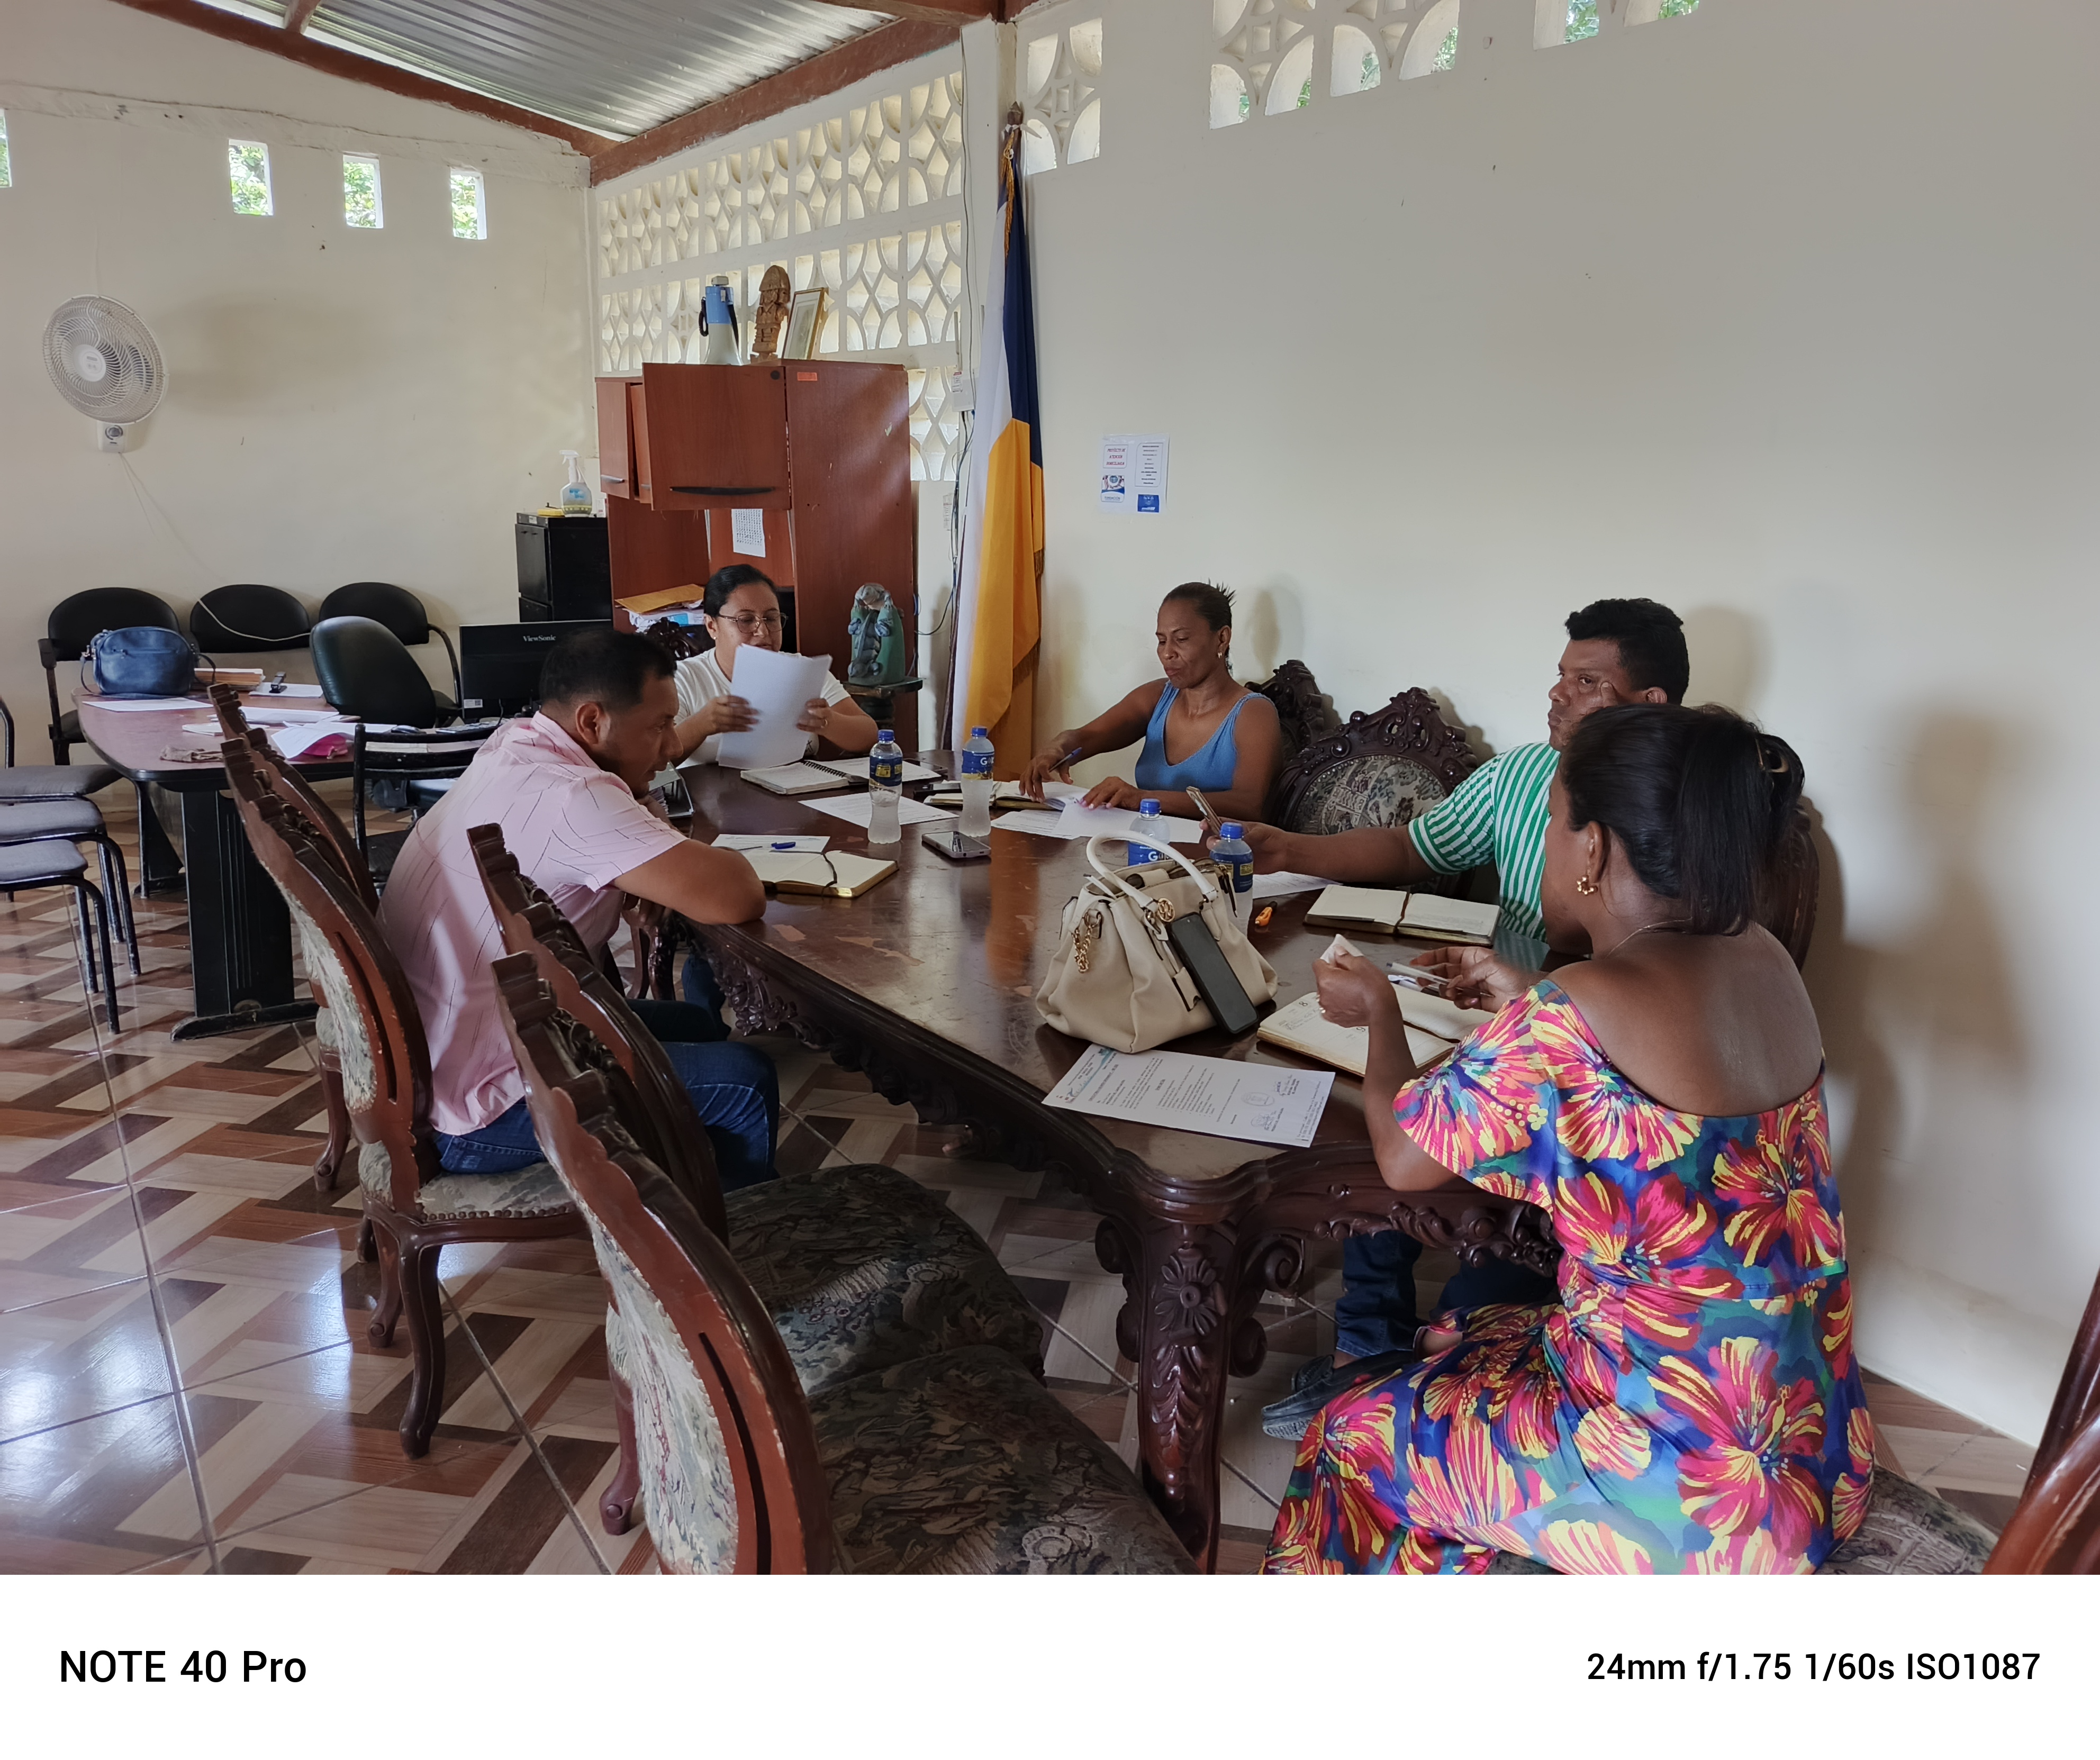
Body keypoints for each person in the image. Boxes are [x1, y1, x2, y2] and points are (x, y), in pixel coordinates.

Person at [1264, 704, 1870, 1574]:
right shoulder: (1764, 957)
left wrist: (1379, 1015)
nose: (1545, 843)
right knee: (1461, 1332)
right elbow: (1661, 1073)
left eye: (1552, 821)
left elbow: (1401, 1157)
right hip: (1811, 1446)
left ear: (1593, 849)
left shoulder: (1571, 1010)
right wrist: (1528, 996)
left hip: (1692, 1495)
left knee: (1345, 1434)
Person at [1258, 597, 1691, 1440]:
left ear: (1593, 852)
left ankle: (1412, 1376)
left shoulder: (1664, 834)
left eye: (1587, 683)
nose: (1559, 695)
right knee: (1390, 1113)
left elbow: (1414, 1146)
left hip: (1584, 1126)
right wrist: (1292, 847)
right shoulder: (1529, 780)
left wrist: (1385, 1012)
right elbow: (1421, 845)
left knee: (1412, 1157)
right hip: (1548, 1050)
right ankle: (1370, 1346)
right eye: (1561, 676)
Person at [378, 627, 781, 1190]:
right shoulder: (574, 796)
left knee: (694, 1024)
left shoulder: (514, 744)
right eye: (660, 725)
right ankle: (732, 1235)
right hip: (481, 1105)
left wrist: (640, 833)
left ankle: (690, 1184)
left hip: (437, 1058)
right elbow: (736, 894)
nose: (672, 746)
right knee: (745, 1078)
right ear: (593, 721)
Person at [1019, 582, 1284, 824]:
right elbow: (1087, 737)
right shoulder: (1157, 697)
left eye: (1181, 639)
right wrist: (1057, 749)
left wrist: (1143, 799)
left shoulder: (1253, 713)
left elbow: (1250, 806)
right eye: (1161, 641)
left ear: (1222, 638)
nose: (1167, 653)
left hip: (1213, 856)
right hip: (1147, 846)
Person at [666, 565, 879, 770]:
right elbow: (656, 762)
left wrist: (828, 722)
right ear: (712, 626)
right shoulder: (682, 679)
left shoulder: (802, 670)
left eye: (771, 619)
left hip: (796, 789)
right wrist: (701, 725)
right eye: (746, 620)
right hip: (715, 794)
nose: (763, 632)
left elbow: (869, 736)